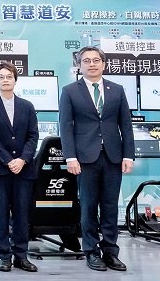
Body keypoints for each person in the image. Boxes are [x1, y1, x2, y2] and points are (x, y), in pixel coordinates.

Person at [59, 46, 134, 272]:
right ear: (79, 65)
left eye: (96, 60)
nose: (91, 64)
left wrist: (128, 155)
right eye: (86, 61)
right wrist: (70, 157)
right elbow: (65, 126)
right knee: (89, 206)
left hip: (113, 156)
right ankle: (91, 251)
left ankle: (110, 251)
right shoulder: (70, 91)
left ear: (103, 64)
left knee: (110, 206)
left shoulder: (117, 90)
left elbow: (126, 125)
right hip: (84, 158)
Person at [0, 63, 39, 273]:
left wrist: (22, 160)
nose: (5, 80)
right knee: (1, 213)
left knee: (22, 214)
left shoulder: (27, 106)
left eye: (9, 76)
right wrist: (8, 160)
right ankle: (4, 256)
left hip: (24, 169)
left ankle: (21, 255)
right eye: (1, 77)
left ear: (15, 80)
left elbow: (33, 136)